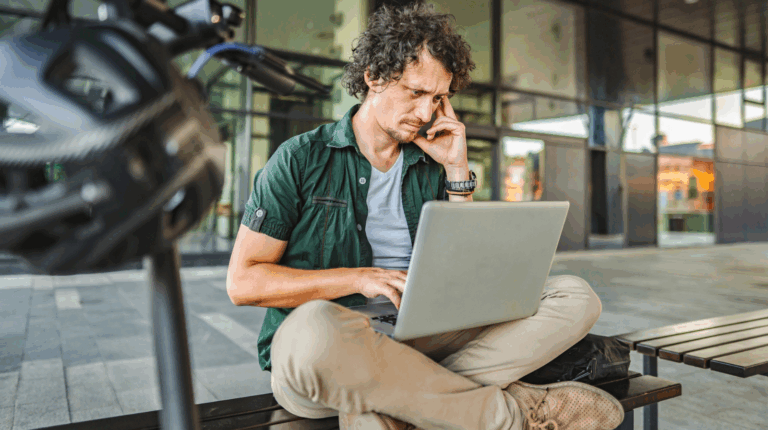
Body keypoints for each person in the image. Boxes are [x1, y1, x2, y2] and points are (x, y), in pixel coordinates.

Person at [226, 3, 624, 429]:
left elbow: (467, 274)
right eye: (415, 93)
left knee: (575, 296)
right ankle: (512, 415)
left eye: (437, 98)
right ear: (374, 78)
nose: (425, 112)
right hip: (333, 345)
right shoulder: (301, 158)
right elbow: (244, 281)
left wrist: (456, 170)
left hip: (417, 336)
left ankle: (412, 403)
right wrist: (358, 277)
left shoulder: (431, 164)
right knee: (314, 330)